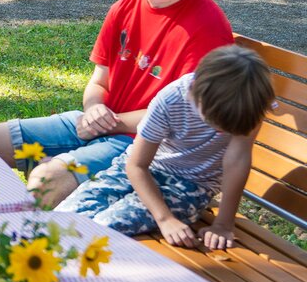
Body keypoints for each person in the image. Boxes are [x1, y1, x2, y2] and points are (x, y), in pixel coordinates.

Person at [0, 0, 233, 205]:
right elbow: (100, 80)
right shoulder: (124, 8)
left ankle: (26, 235)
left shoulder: (208, 27)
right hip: (106, 123)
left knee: (48, 181)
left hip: (149, 146)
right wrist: (94, 108)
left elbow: (184, 119)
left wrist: (110, 123)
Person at [55, 44, 273, 248]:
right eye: (216, 124)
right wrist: (165, 219)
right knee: (65, 217)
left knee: (105, 226)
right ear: (197, 93)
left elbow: (236, 160)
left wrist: (223, 225)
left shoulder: (249, 102)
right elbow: (136, 166)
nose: (223, 133)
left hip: (190, 186)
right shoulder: (171, 100)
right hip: (138, 170)